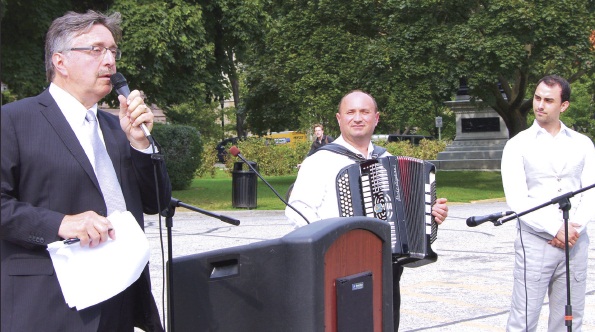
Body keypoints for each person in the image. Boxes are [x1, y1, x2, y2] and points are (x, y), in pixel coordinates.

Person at [1, 10, 172, 331]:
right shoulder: (12, 121)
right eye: (95, 50)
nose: (109, 61)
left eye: (112, 51)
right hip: (51, 303)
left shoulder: (118, 127)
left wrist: (140, 144)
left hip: (120, 298)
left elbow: (158, 202)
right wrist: (61, 223)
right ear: (60, 62)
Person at [285, 90, 449, 330]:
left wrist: (430, 214)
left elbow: (406, 213)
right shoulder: (319, 162)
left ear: (376, 118)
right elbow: (297, 212)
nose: (358, 118)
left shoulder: (388, 159)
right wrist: (329, 247)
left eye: (365, 111)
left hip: (386, 266)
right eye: (350, 112)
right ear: (339, 119)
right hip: (339, 267)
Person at [501, 75, 595, 331]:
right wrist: (556, 229)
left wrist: (574, 229)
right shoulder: (516, 145)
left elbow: (590, 191)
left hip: (575, 240)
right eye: (537, 98)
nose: (540, 105)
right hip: (535, 241)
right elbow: (518, 199)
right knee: (524, 318)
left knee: (569, 320)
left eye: (549, 100)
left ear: (563, 105)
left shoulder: (583, 144)